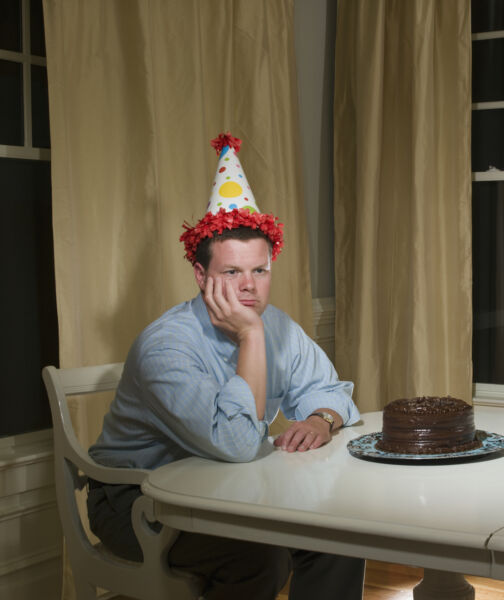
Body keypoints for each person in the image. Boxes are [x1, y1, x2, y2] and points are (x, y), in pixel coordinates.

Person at [87, 133, 365, 599]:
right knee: (257, 557)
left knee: (340, 533)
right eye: (231, 273)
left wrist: (322, 417)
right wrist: (249, 336)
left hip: (229, 487)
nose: (249, 288)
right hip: (138, 500)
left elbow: (331, 388)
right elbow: (235, 445)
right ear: (201, 276)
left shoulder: (279, 326)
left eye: (259, 270)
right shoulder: (165, 346)